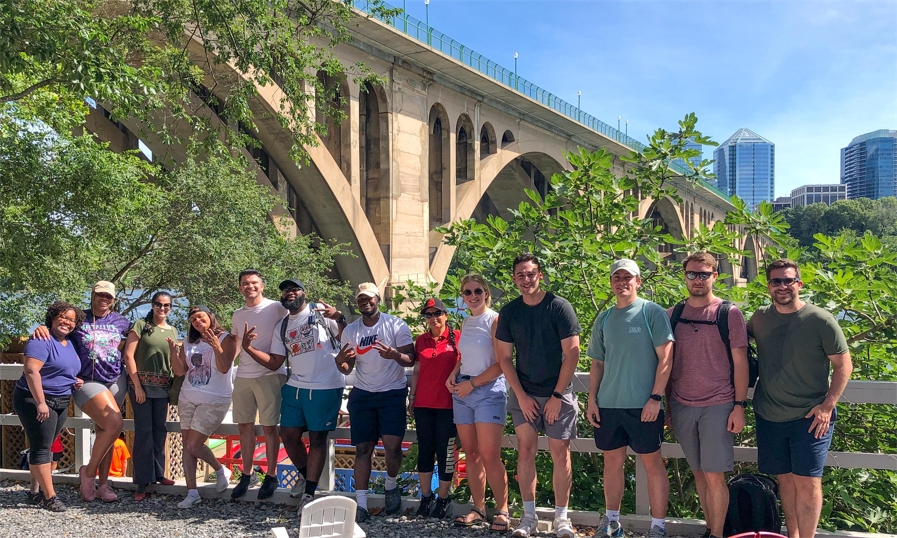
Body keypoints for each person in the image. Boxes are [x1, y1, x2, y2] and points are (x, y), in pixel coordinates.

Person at [747, 259, 852, 538]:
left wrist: (828, 406)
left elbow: (844, 365)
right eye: (776, 281)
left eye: (788, 280)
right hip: (769, 414)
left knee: (808, 482)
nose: (782, 286)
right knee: (785, 481)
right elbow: (732, 343)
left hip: (811, 416)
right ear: (768, 286)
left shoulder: (820, 319)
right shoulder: (759, 318)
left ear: (799, 284)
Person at [495, 253, 581, 538]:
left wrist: (557, 395)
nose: (526, 279)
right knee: (525, 450)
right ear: (513, 278)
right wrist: (520, 395)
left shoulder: (559, 307)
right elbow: (505, 358)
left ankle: (562, 518)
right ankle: (528, 517)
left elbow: (573, 353)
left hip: (558, 392)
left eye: (531, 274)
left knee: (560, 453)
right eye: (520, 275)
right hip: (525, 393)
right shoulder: (510, 312)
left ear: (540, 275)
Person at [586, 259, 674, 538]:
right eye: (617, 277)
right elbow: (597, 363)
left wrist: (655, 398)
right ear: (611, 282)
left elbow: (666, 358)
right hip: (609, 404)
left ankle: (658, 526)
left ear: (638, 281)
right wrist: (591, 399)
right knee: (611, 464)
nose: (622, 282)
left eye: (628, 277)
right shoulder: (605, 318)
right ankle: (612, 522)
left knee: (653, 464)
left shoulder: (652, 312)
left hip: (643, 405)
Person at [245, 278, 347, 513]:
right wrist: (248, 348)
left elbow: (345, 341)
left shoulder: (321, 314)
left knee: (318, 439)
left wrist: (340, 318)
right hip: (296, 385)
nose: (289, 293)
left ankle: (309, 494)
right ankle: (305, 475)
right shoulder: (282, 325)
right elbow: (275, 362)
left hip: (325, 385)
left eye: (294, 289)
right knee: (288, 434)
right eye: (285, 291)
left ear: (304, 292)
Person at [666, 252, 749, 538]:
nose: (697, 279)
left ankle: (718, 534)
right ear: (685, 277)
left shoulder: (729, 313)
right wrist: (666, 405)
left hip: (718, 403)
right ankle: (711, 528)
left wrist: (739, 405)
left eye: (704, 274)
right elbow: (663, 363)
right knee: (699, 473)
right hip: (681, 404)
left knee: (714, 475)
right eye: (692, 274)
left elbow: (741, 363)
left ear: (715, 276)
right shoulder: (673, 314)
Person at [33, 281, 131, 502]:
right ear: (93, 295)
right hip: (85, 381)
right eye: (100, 294)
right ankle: (88, 473)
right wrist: (41, 328)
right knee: (115, 423)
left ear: (113, 299)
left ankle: (103, 485)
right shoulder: (80, 319)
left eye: (108, 296)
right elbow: (58, 329)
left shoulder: (121, 321)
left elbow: (140, 338)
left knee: (107, 431)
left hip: (115, 380)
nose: (104, 299)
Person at [335, 282, 416, 523]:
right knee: (362, 449)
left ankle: (390, 485)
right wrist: (339, 361)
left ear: (377, 299)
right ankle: (361, 503)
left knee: (392, 446)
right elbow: (346, 366)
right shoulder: (351, 330)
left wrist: (394, 355)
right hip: (363, 393)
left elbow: (410, 358)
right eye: (360, 299)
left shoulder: (395, 324)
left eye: (369, 298)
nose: (365, 302)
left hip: (392, 392)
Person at [446, 274, 510, 532]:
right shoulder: (467, 321)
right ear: (462, 297)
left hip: (487, 390)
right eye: (467, 292)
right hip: (463, 390)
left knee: (490, 455)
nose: (473, 296)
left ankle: (503, 510)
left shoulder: (494, 320)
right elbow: (464, 355)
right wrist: (454, 373)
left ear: (486, 293)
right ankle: (479, 507)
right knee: (470, 453)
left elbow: (501, 363)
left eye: (477, 291)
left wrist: (472, 384)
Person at [15, 301, 85, 511]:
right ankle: (50, 496)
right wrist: (41, 403)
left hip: (61, 400)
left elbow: (61, 368)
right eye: (63, 317)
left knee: (44, 446)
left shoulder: (68, 341)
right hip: (35, 400)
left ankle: (34, 492)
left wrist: (74, 380)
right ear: (53, 317)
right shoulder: (41, 339)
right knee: (42, 448)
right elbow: (31, 371)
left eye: (72, 319)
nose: (67, 322)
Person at [170, 305, 239, 508]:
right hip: (187, 396)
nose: (197, 322)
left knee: (193, 444)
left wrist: (216, 345)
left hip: (215, 398)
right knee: (187, 446)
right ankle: (192, 492)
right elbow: (180, 371)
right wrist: (173, 353)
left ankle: (220, 470)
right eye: (193, 320)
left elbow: (225, 367)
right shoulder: (189, 342)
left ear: (210, 317)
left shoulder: (227, 338)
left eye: (201, 317)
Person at [231, 269, 289, 500]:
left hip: (270, 374)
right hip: (244, 374)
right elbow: (236, 344)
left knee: (269, 426)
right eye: (245, 283)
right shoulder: (237, 314)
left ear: (263, 286)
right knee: (244, 425)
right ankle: (247, 473)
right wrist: (223, 365)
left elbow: (297, 320)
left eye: (254, 283)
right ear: (240, 288)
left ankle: (272, 474)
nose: (250, 286)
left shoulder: (276, 308)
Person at [122, 291, 178, 500]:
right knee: (144, 432)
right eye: (158, 304)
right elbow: (128, 355)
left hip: (163, 388)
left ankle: (159, 474)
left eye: (166, 305)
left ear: (171, 307)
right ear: (152, 305)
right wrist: (137, 385)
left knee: (159, 431)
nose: (162, 308)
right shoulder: (140, 325)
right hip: (142, 386)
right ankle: (142, 482)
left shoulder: (172, 330)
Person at [410, 298, 459, 520]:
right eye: (428, 315)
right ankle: (426, 496)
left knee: (446, 452)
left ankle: (443, 498)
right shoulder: (421, 340)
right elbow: (417, 370)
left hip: (448, 405)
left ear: (446, 315)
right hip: (424, 404)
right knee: (425, 451)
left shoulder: (457, 338)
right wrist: (412, 397)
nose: (433, 318)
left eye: (437, 313)